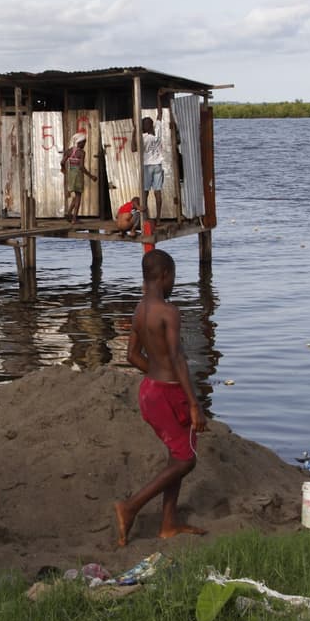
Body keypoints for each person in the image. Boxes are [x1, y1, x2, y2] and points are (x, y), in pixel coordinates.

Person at [113, 249, 208, 547]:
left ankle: (168, 524)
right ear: (165, 275)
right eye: (174, 277)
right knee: (187, 460)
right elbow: (178, 358)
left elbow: (131, 355)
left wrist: (154, 373)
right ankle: (130, 507)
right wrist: (193, 403)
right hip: (168, 393)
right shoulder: (169, 312)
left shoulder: (140, 310)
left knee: (175, 455)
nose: (174, 283)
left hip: (149, 391)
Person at [60, 131, 96, 223]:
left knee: (75, 196)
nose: (84, 144)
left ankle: (69, 214)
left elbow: (62, 162)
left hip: (71, 175)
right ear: (79, 142)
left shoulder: (69, 151)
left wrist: (63, 169)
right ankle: (74, 219)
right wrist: (91, 176)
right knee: (78, 196)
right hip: (78, 175)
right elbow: (81, 167)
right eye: (84, 142)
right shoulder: (81, 153)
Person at [139, 116, 164, 220]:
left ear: (144, 127)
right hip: (158, 165)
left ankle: (145, 217)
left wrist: (135, 130)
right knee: (157, 192)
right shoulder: (158, 132)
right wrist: (159, 104)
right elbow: (160, 115)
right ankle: (158, 218)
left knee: (145, 192)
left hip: (147, 166)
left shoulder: (143, 137)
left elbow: (134, 148)